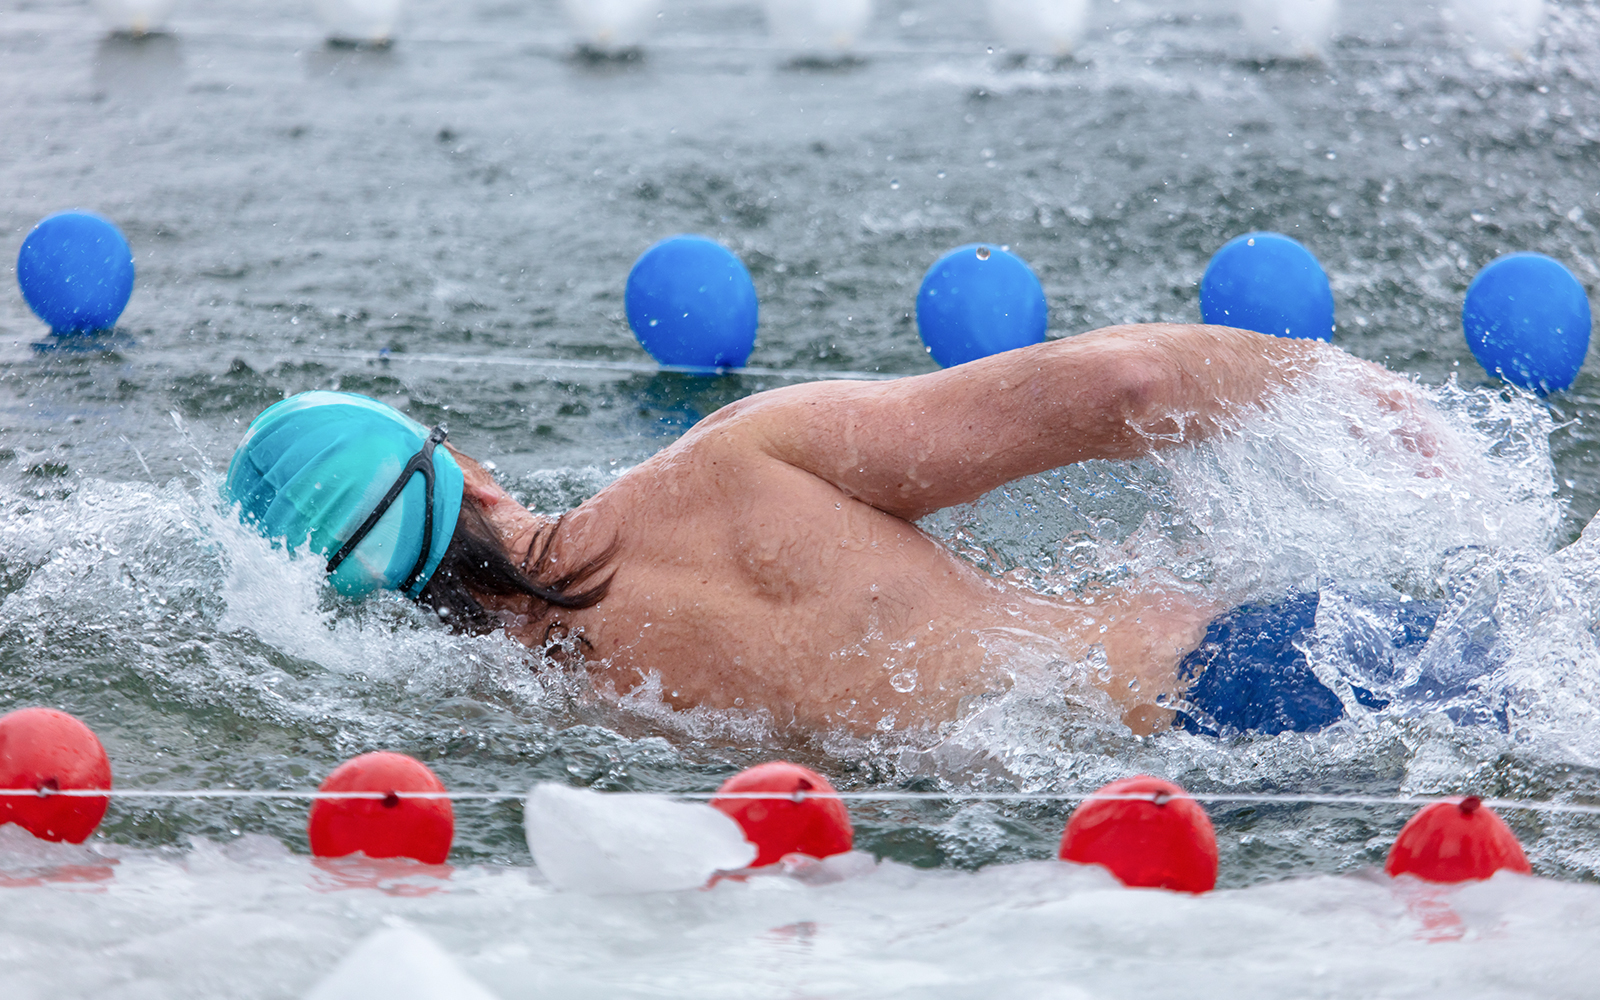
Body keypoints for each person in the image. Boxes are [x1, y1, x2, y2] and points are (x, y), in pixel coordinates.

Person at [226, 323, 1445, 737]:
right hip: (1267, 675)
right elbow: (1126, 384)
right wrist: (1328, 382)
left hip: (1128, 820)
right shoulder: (725, 468)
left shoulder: (547, 713)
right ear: (465, 469)